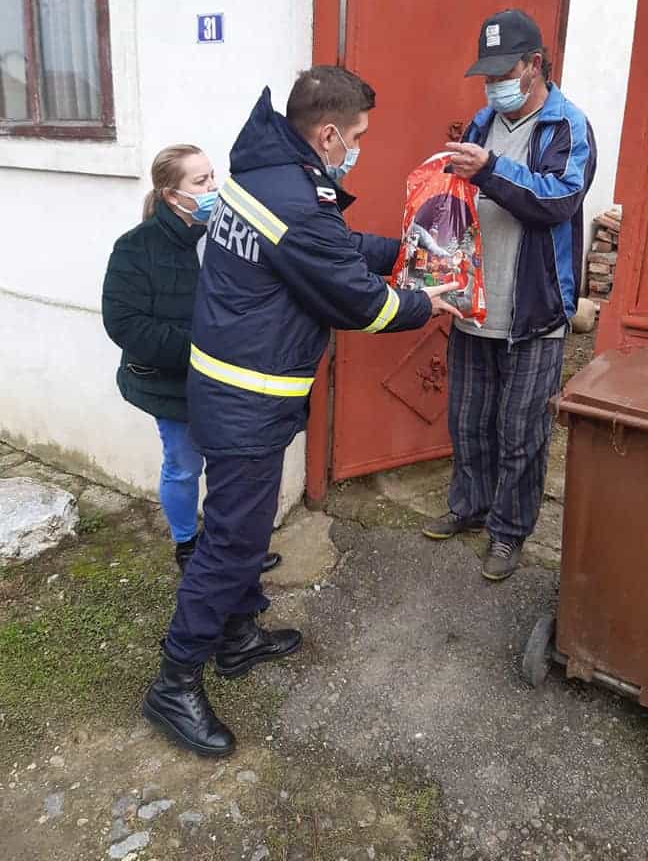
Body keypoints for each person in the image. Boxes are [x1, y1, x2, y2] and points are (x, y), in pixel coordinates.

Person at [142, 66, 461, 757]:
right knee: (229, 543)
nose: (359, 148)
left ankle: (237, 635)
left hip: (242, 391)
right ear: (327, 133)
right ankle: (174, 681)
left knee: (244, 531)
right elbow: (358, 301)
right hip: (245, 400)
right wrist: (421, 300)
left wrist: (404, 252)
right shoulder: (289, 195)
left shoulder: (271, 175)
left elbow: (329, 248)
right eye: (358, 137)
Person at [422, 9, 597, 582]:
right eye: (486, 73)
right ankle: (469, 508)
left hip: (535, 314)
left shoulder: (566, 127)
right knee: (468, 421)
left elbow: (558, 201)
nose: (493, 82)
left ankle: (508, 532)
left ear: (534, 66)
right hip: (475, 304)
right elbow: (460, 201)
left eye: (504, 70)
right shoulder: (480, 123)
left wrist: (491, 171)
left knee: (522, 434)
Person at [102, 145, 281, 575]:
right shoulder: (135, 248)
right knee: (184, 466)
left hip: (228, 381)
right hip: (173, 383)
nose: (213, 189)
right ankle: (186, 544)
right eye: (200, 182)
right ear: (170, 195)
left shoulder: (225, 235)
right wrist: (204, 349)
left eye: (212, 177)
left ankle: (233, 549)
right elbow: (124, 324)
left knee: (230, 469)